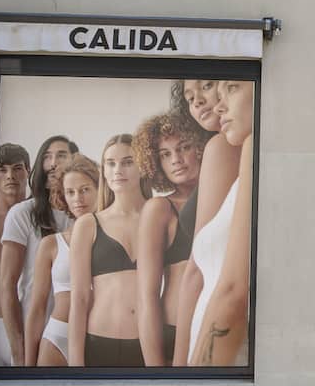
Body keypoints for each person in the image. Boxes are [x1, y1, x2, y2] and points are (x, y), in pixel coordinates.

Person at [171, 80, 242, 366]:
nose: (198, 101)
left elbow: (196, 270)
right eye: (189, 98)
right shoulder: (236, 145)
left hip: (214, 317)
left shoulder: (222, 147)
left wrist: (179, 365)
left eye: (207, 86)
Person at [186, 80, 254, 366]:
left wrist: (194, 379)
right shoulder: (247, 153)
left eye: (232, 88)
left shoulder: (253, 148)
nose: (218, 106)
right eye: (189, 97)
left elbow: (234, 291)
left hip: (223, 360)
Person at [68, 134, 151, 367]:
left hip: (151, 345)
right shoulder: (88, 225)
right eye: (110, 163)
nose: (118, 170)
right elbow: (79, 299)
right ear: (103, 171)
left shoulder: (161, 217)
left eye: (128, 162)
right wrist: (75, 366)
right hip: (99, 341)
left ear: (143, 166)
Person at [134, 112, 209, 365]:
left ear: (200, 148)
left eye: (183, 147)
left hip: (221, 328)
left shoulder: (227, 199)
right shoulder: (159, 209)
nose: (176, 160)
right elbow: (146, 297)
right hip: (174, 334)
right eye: (165, 154)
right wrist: (156, 374)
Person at [0, 135, 77, 366]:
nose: (53, 163)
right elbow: (7, 285)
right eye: (47, 157)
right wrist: (18, 350)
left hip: (77, 332)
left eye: (61, 155)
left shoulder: (87, 215)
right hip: (33, 332)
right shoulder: (22, 214)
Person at [24, 154, 100, 366]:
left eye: (85, 190)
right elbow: (37, 309)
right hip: (57, 338)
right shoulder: (51, 244)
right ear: (63, 195)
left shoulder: (113, 241)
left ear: (100, 189)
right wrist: (27, 368)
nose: (78, 199)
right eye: (70, 192)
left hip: (100, 338)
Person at [0, 143, 30, 366]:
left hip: (29, 325)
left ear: (28, 171)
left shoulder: (40, 218)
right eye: (2, 170)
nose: (10, 176)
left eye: (17, 168)